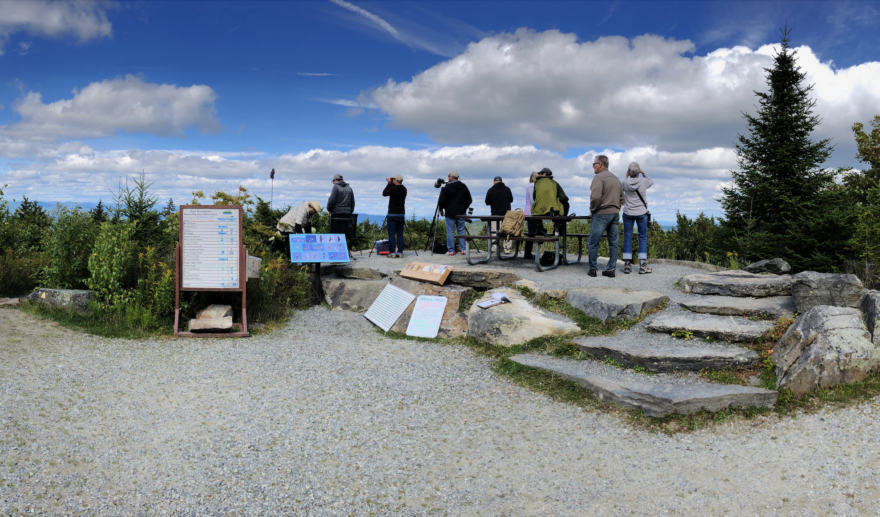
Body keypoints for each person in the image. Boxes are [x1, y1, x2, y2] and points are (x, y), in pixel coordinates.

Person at [588, 155, 624, 278]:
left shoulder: (598, 178)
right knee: (613, 243)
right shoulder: (616, 179)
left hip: (601, 213)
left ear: (600, 164)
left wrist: (593, 209)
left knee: (593, 242)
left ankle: (593, 269)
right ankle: (610, 269)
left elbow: (596, 197)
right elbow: (622, 199)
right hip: (614, 214)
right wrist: (617, 209)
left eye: (594, 164)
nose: (593, 166)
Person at [526, 168, 568, 260]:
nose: (539, 174)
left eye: (540, 173)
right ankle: (559, 226)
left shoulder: (536, 184)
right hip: (551, 212)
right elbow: (564, 197)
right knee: (565, 205)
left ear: (544, 174)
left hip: (536, 212)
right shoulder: (554, 183)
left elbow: (534, 197)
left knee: (531, 232)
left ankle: (549, 228)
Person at [621, 162, 653, 274]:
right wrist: (644, 173)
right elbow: (651, 181)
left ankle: (627, 265)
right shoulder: (644, 181)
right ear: (638, 172)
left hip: (628, 212)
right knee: (642, 237)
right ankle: (642, 265)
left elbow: (622, 185)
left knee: (627, 237)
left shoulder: (625, 182)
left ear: (629, 172)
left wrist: (626, 175)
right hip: (641, 213)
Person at [437, 170, 473, 255]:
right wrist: (464, 207)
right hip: (461, 212)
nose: (448, 177)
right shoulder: (463, 186)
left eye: (449, 176)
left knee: (450, 231)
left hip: (450, 212)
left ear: (452, 177)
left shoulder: (447, 188)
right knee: (461, 230)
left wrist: (441, 209)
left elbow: (442, 200)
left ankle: (451, 250)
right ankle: (463, 249)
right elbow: (469, 199)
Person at [485, 175, 514, 254]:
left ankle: (494, 248)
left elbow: (487, 202)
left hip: (495, 215)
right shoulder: (507, 189)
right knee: (507, 232)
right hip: (507, 215)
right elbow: (511, 200)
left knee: (494, 232)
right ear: (501, 182)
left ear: (494, 182)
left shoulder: (491, 190)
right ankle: (507, 249)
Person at [383, 174, 407, 258]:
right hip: (401, 214)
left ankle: (392, 252)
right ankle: (400, 251)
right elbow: (397, 188)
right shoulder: (404, 189)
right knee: (400, 234)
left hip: (392, 214)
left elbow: (384, 193)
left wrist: (389, 183)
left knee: (392, 234)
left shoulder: (392, 189)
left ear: (396, 180)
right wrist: (392, 183)